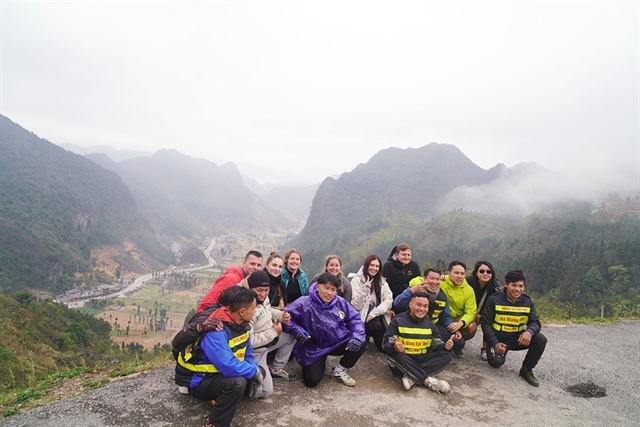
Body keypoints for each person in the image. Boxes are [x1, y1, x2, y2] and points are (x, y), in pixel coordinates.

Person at [175, 286, 263, 427]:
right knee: (238, 383)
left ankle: (219, 396)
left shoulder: (242, 325)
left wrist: (254, 370)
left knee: (254, 376)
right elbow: (227, 365)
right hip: (198, 380)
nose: (255, 311)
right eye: (253, 308)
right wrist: (254, 371)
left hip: (216, 374)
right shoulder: (217, 330)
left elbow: (248, 355)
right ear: (242, 311)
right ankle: (214, 423)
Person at [283, 272, 366, 387]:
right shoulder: (304, 302)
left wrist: (356, 337)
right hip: (313, 347)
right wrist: (297, 330)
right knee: (311, 381)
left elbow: (355, 320)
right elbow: (285, 317)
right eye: (326, 288)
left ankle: (339, 370)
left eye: (333, 289)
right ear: (317, 286)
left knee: (360, 343)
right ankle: (320, 360)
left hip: (337, 341)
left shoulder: (340, 302)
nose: (329, 293)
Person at [481, 270, 547, 387]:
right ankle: (494, 351)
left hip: (517, 339)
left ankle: (526, 370)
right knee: (496, 363)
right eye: (514, 285)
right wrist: (495, 343)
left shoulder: (527, 301)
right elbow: (485, 323)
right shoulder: (494, 299)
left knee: (540, 339)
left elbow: (535, 322)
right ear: (506, 284)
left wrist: (529, 332)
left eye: (521, 286)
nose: (517, 289)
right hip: (499, 339)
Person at [383, 291, 455, 393]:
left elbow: (436, 344)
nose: (422, 309)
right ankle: (427, 382)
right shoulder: (397, 321)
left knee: (447, 355)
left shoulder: (430, 324)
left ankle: (411, 377)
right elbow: (385, 344)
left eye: (425, 306)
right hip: (402, 362)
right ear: (410, 304)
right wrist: (394, 346)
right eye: (419, 305)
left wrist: (445, 346)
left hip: (421, 360)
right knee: (395, 355)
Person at [240, 270, 296, 399]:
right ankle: (245, 383)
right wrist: (272, 332)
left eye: (266, 290)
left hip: (268, 342)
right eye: (259, 290)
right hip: (255, 352)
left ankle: (276, 369)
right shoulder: (245, 306)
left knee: (291, 336)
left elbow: (267, 309)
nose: (263, 294)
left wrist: (281, 316)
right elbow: (247, 341)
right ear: (250, 287)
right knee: (266, 391)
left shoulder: (261, 298)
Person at [394, 268, 463, 355]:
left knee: (459, 342)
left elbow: (445, 317)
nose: (434, 282)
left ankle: (430, 347)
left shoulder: (442, 296)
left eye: (437, 279)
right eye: (431, 278)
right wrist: (411, 290)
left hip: (431, 327)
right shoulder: (415, 291)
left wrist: (454, 330)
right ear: (424, 278)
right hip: (412, 327)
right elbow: (397, 303)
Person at [350, 254, 394, 351]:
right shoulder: (356, 281)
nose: (374, 268)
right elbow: (356, 305)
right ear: (366, 265)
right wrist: (364, 289)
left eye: (377, 266)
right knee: (376, 327)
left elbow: (389, 300)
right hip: (362, 319)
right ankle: (363, 336)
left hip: (378, 317)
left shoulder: (382, 282)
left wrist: (376, 312)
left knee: (386, 347)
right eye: (372, 265)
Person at [197, 250, 263, 312]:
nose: (256, 268)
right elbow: (208, 302)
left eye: (259, 265)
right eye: (252, 264)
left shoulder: (251, 281)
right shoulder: (231, 279)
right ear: (244, 263)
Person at [439, 261, 477, 357]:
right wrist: (437, 277)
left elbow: (471, 312)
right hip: (440, 317)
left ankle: (458, 344)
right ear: (449, 273)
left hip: (456, 319)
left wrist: (461, 323)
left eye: (462, 274)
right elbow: (418, 281)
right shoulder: (441, 282)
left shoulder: (469, 290)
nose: (459, 276)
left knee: (472, 326)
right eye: (456, 273)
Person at [467, 261, 502, 361]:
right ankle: (460, 341)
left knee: (489, 322)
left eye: (489, 271)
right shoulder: (468, 281)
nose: (485, 273)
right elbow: (454, 279)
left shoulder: (496, 286)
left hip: (486, 312)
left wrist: (481, 314)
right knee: (468, 326)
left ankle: (485, 348)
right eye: (482, 271)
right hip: (469, 310)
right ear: (476, 272)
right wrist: (443, 277)